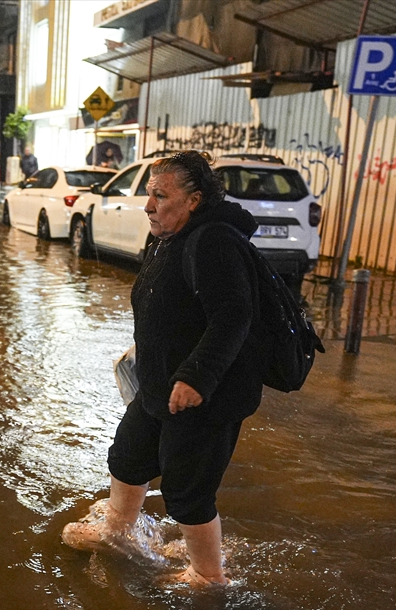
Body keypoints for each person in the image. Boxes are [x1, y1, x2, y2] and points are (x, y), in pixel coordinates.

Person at [62, 151, 263, 587]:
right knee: (128, 456)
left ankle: (208, 577)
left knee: (188, 491)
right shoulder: (167, 237)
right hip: (159, 384)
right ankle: (116, 533)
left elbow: (233, 316)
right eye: (148, 194)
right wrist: (146, 348)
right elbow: (170, 306)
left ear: (194, 200)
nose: (148, 206)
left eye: (160, 196)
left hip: (202, 396)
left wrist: (196, 377)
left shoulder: (214, 242)